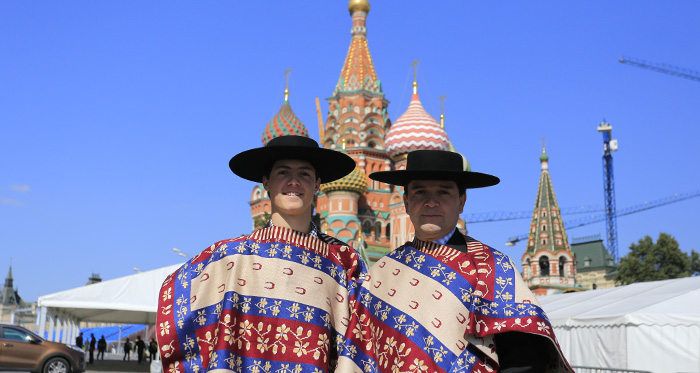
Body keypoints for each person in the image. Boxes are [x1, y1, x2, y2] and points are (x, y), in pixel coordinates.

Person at [156, 135, 370, 372]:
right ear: (266, 183)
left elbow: (361, 340)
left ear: (318, 184)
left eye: (304, 174)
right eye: (283, 173)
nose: (294, 182)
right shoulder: (232, 256)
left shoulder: (343, 261)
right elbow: (176, 301)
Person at [353, 150, 574, 372]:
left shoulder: (492, 267)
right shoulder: (382, 272)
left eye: (443, 192)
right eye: (420, 192)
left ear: (461, 202)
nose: (431, 202)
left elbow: (523, 357)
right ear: (406, 202)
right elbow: (361, 351)